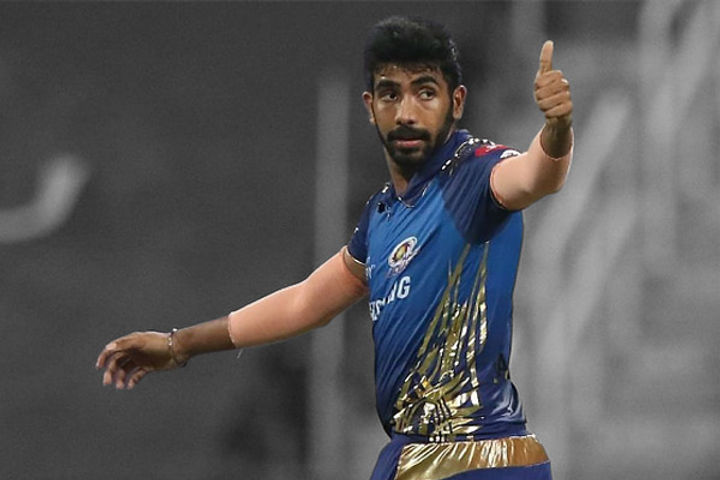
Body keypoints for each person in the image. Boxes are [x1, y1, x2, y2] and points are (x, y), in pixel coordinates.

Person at [96, 16, 573, 480]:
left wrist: (556, 129)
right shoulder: (382, 217)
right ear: (370, 106)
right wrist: (178, 345)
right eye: (391, 94)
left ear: (457, 102)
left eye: (426, 93)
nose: (407, 113)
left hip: (478, 455)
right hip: (415, 455)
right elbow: (306, 301)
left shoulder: (476, 173)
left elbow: (535, 175)